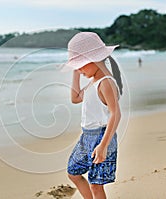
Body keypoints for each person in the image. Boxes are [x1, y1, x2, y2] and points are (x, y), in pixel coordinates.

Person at [60, 32, 123, 199]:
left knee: (96, 185)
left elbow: (116, 114)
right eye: (77, 66)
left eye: (81, 64)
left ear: (95, 59)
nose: (79, 70)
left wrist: (103, 146)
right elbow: (74, 98)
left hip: (102, 136)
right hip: (86, 136)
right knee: (73, 172)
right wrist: (76, 70)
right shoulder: (92, 81)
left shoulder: (106, 82)